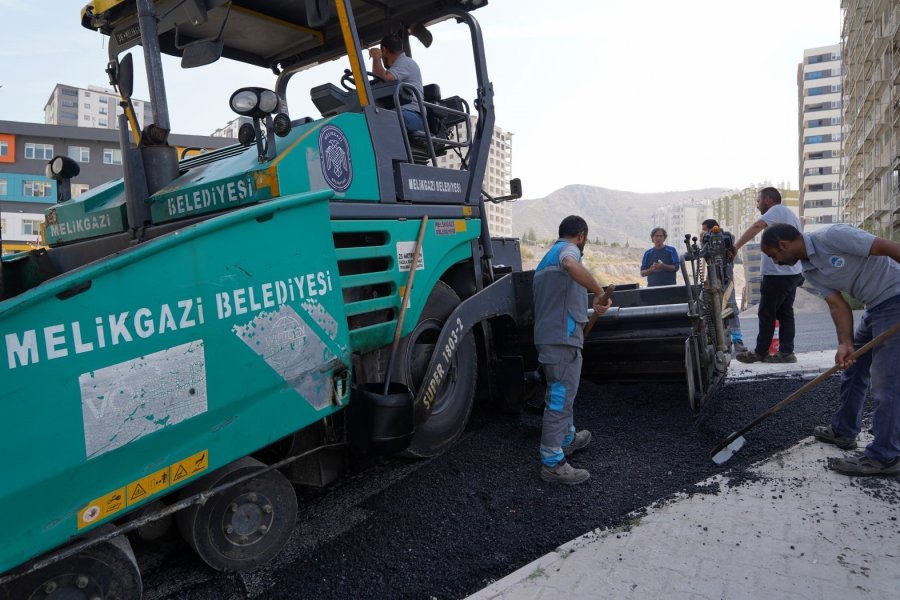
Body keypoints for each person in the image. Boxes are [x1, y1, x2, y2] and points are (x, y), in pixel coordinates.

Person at [760, 223, 900, 476]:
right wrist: (845, 343)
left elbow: (888, 247)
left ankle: (886, 455)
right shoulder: (810, 271)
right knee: (852, 369)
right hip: (874, 307)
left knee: (888, 383)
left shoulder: (833, 236)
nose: (776, 261)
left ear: (783, 245)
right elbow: (838, 306)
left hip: (896, 299)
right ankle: (844, 431)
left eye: (774, 255)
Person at [533, 215, 612, 485]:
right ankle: (552, 462)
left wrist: (593, 308)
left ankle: (567, 439)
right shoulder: (568, 253)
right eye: (584, 240)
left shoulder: (546, 260)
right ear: (581, 235)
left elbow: (562, 303)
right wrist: (600, 291)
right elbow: (570, 264)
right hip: (560, 340)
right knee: (560, 396)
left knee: (564, 391)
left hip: (555, 336)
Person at [732, 187, 803, 364]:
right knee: (785, 313)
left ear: (768, 200)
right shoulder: (787, 213)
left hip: (778, 274)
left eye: (758, 201)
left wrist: (735, 247)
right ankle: (786, 353)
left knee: (766, 313)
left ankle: (760, 352)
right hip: (791, 272)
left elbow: (757, 226)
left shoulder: (777, 210)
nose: (757, 205)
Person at [701, 219, 747, 353]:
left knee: (731, 308)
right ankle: (722, 343)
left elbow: (732, 248)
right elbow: (702, 254)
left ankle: (737, 341)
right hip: (713, 280)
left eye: (705, 229)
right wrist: (703, 240)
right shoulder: (706, 241)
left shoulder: (728, 237)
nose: (704, 232)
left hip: (727, 279)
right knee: (714, 309)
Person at [369, 34, 425, 132]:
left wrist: (376, 57)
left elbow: (384, 78)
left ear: (385, 51)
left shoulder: (405, 62)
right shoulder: (399, 66)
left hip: (412, 115)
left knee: (378, 121)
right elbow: (380, 81)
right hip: (401, 112)